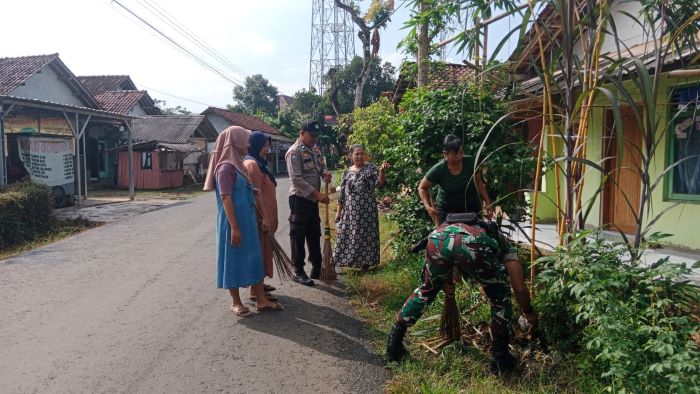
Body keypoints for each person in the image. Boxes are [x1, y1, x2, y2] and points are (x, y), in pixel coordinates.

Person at [385, 215, 538, 373]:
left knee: (426, 290)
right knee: (500, 299)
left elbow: (451, 254)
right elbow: (519, 287)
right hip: (473, 244)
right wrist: (528, 312)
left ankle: (393, 344)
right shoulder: (504, 246)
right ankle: (500, 359)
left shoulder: (458, 227)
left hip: (438, 238)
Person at [203, 126, 283, 316]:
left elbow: (254, 192)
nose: (248, 144)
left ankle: (261, 300)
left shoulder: (239, 165)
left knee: (254, 257)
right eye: (245, 140)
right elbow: (226, 198)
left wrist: (263, 216)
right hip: (233, 223)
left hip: (247, 220)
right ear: (236, 141)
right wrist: (235, 227)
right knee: (233, 259)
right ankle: (236, 302)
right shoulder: (224, 168)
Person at [285, 120, 332, 286]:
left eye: (316, 136)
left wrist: (326, 174)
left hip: (312, 200)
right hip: (299, 199)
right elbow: (296, 179)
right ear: (302, 132)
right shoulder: (294, 152)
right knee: (298, 235)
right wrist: (317, 194)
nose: (315, 139)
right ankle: (298, 271)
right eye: (312, 136)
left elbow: (322, 165)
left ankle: (317, 267)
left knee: (314, 232)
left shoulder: (314, 149)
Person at [333, 144, 388, 270]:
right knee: (347, 235)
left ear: (365, 155)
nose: (359, 156)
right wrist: (339, 211)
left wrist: (382, 172)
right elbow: (342, 193)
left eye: (362, 153)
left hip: (367, 210)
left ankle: (365, 263)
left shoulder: (371, 169)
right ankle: (344, 260)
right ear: (351, 156)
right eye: (356, 154)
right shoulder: (347, 172)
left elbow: (379, 184)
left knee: (367, 236)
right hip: (350, 211)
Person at [419, 134, 493, 225]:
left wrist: (488, 202)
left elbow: (478, 183)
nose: (459, 156)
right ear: (445, 154)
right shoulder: (439, 169)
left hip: (469, 207)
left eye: (461, 152)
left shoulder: (470, 162)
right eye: (455, 154)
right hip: (447, 210)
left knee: (474, 235)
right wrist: (427, 207)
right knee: (447, 237)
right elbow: (422, 188)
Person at [243, 131, 279, 300]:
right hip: (261, 219)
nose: (267, 149)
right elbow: (255, 195)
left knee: (265, 250)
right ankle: (255, 292)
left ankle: (259, 286)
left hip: (267, 217)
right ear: (255, 145)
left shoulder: (259, 163)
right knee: (260, 252)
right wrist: (264, 217)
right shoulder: (252, 165)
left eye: (268, 145)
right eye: (264, 145)